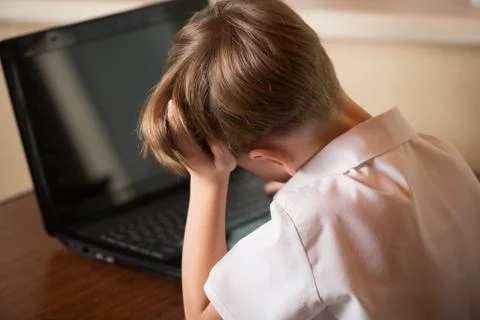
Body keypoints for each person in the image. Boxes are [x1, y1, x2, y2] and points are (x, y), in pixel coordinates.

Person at [137, 0, 480, 319]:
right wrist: (308, 184)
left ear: (271, 158)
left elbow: (200, 315)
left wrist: (208, 181)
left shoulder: (308, 223)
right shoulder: (440, 153)